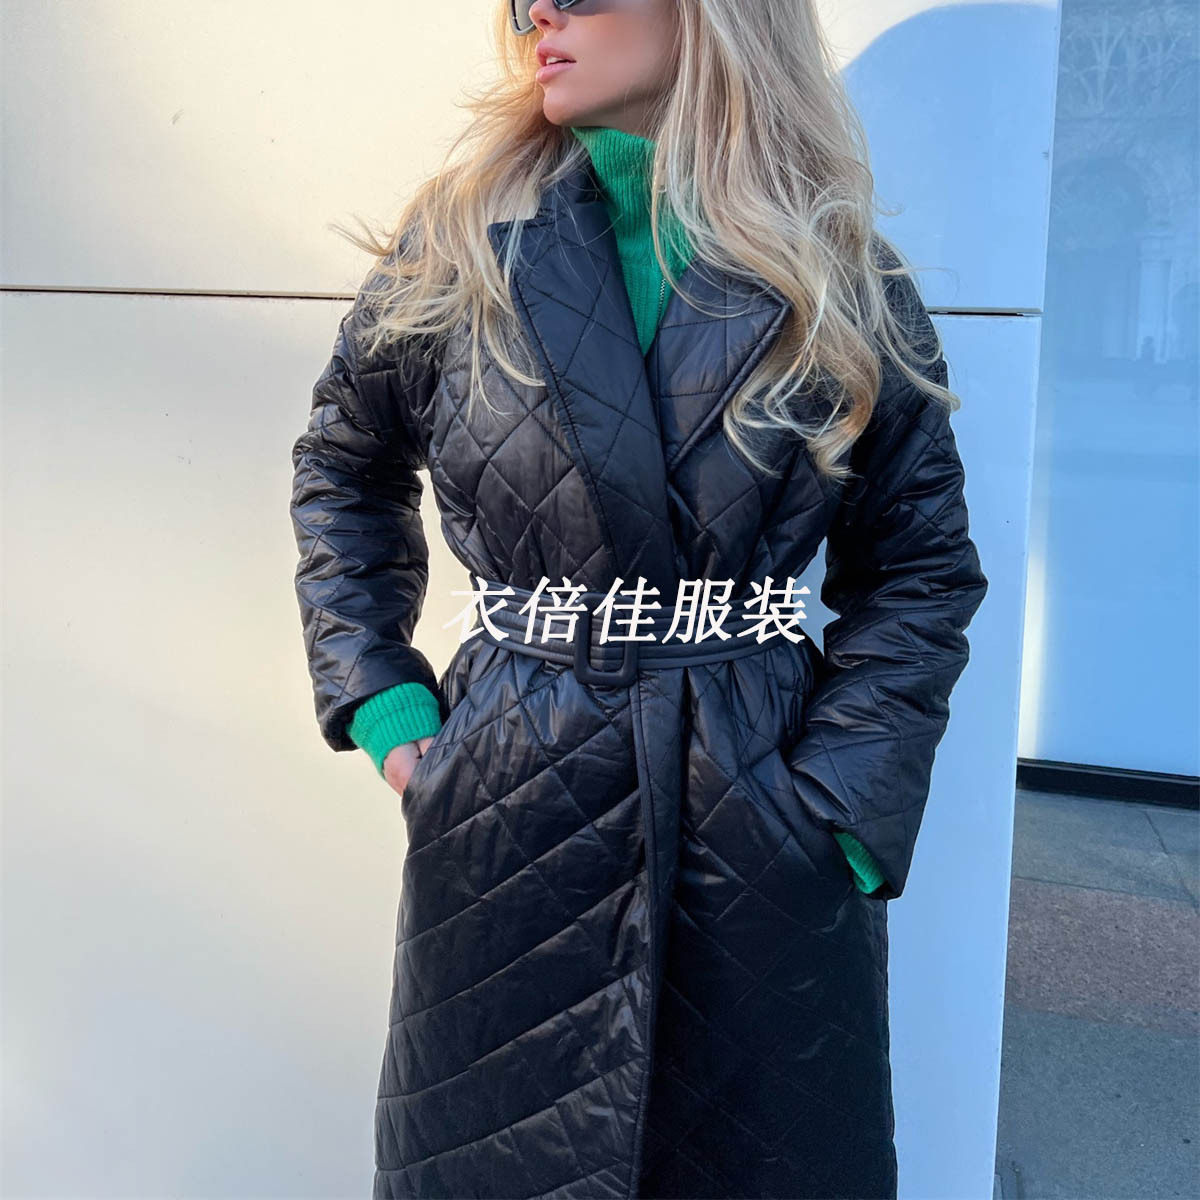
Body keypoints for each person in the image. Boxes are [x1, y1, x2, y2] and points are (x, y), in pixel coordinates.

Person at [289, 1, 989, 1197]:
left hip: (758, 812)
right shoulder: (462, 245)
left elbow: (918, 565)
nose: (540, 14)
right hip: (514, 800)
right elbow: (344, 471)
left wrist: (842, 810)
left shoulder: (834, 274)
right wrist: (386, 708)